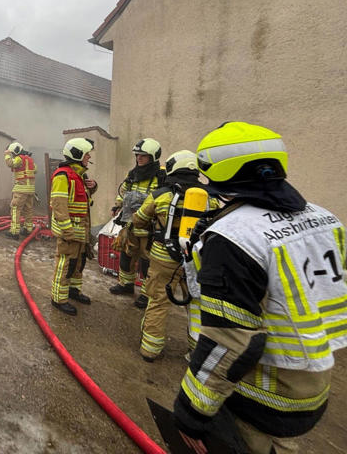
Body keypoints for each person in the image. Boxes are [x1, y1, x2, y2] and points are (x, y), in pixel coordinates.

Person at [173, 122, 347, 454]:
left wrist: (191, 412)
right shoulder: (327, 219)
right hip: (312, 389)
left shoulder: (234, 237)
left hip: (259, 396)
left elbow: (231, 343)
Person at [132, 150, 215, 362]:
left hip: (164, 257)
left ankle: (150, 349)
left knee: (158, 301)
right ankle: (197, 352)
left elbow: (139, 219)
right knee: (196, 304)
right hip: (196, 259)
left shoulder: (161, 195)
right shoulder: (211, 197)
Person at [109, 138, 166, 308]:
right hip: (130, 225)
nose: (138, 158)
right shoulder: (132, 174)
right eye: (137, 155)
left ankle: (146, 294)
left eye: (143, 155)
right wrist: (117, 205)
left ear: (152, 157)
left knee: (148, 263)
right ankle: (126, 285)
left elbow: (164, 199)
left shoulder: (161, 177)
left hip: (150, 229)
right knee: (126, 256)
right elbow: (124, 192)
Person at [49, 138, 97, 316]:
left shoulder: (79, 175)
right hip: (69, 232)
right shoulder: (62, 176)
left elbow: (83, 200)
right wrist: (67, 230)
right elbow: (59, 206)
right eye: (86, 154)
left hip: (81, 230)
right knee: (66, 264)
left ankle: (73, 291)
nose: (89, 157)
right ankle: (58, 299)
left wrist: (93, 187)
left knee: (79, 263)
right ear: (77, 155)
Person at [3, 141, 36, 239]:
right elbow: (35, 170)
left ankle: (14, 232)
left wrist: (7, 155)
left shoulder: (19, 158)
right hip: (30, 190)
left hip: (21, 189)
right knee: (28, 209)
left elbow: (11, 164)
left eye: (12, 154)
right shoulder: (30, 160)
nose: (12, 156)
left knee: (15, 209)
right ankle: (28, 229)